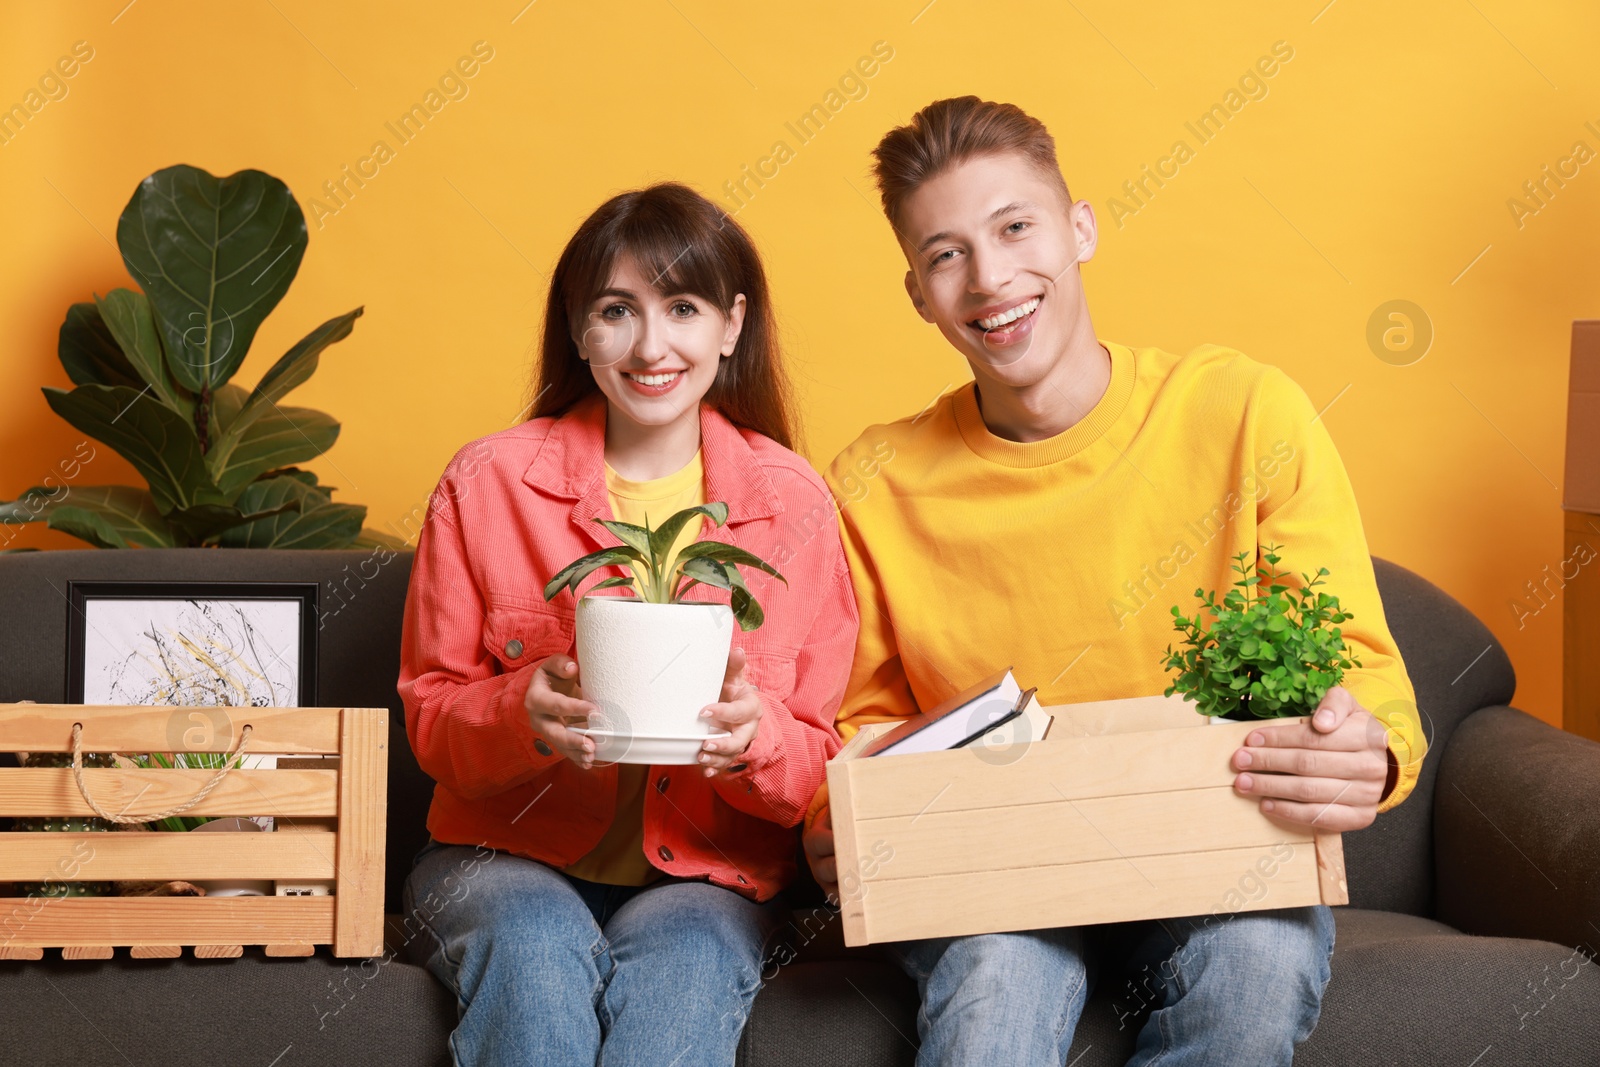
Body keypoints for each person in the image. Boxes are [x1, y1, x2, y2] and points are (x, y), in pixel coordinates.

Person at [803, 96, 1428, 1066]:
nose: (991, 276)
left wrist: (1367, 750)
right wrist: (829, 822)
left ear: (1080, 226)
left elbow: (1357, 665)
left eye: (1015, 227)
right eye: (946, 253)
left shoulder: (1244, 410)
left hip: (1209, 849)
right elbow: (846, 723)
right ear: (918, 294)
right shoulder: (870, 485)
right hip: (987, 873)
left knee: (1257, 962)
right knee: (997, 984)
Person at [398, 181, 859, 1066]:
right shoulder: (485, 483)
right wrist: (514, 714)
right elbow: (430, 716)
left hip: (707, 874)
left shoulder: (792, 501)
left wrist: (758, 741)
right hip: (506, 858)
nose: (652, 345)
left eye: (682, 308)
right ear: (578, 329)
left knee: (688, 970)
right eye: (617, 310)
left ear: (730, 326)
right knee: (532, 952)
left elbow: (821, 750)